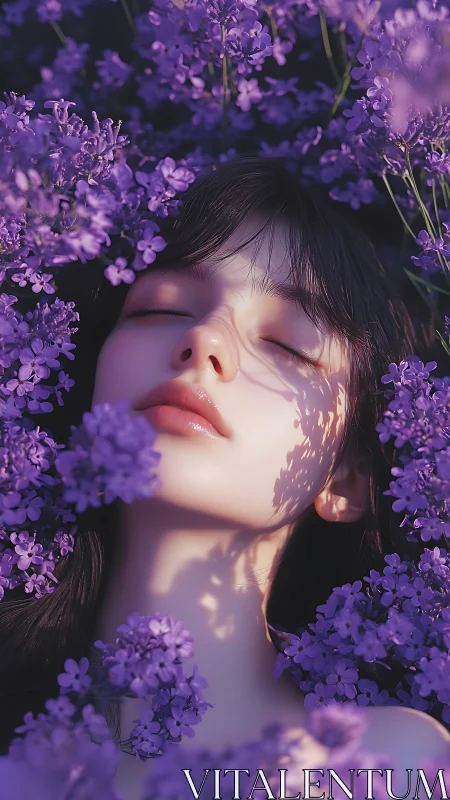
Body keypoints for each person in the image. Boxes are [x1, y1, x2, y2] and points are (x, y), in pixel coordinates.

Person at [0, 157, 448, 798]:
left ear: (348, 476)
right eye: (159, 308)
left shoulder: (386, 766)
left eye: (288, 344)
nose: (206, 340)